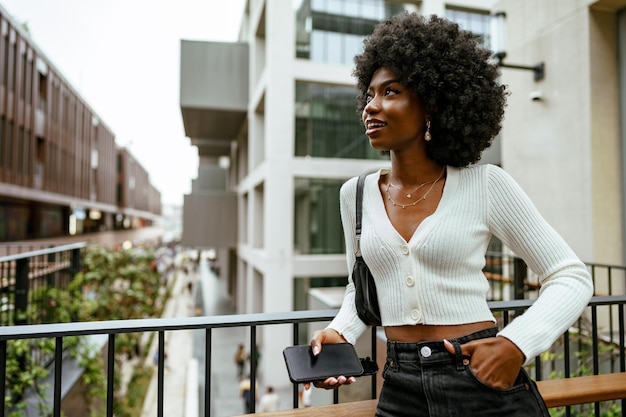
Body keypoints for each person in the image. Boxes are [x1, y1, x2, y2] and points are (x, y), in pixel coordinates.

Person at [307, 12, 593, 417]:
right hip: (400, 384)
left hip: (480, 374)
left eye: (390, 91)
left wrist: (517, 344)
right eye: (369, 94)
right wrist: (341, 331)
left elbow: (571, 276)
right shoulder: (353, 195)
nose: (371, 106)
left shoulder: (486, 185)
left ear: (432, 104)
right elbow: (363, 286)